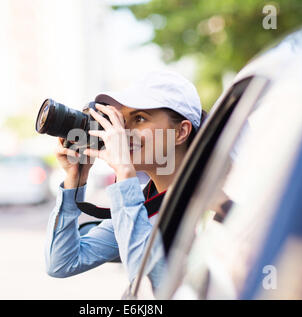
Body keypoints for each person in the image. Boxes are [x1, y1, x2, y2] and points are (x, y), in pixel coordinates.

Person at [45, 70, 205, 291]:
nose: (122, 132)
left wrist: (123, 171)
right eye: (123, 120)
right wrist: (76, 179)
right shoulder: (144, 203)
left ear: (181, 132)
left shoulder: (207, 205)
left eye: (140, 119)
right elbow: (61, 262)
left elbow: (153, 284)